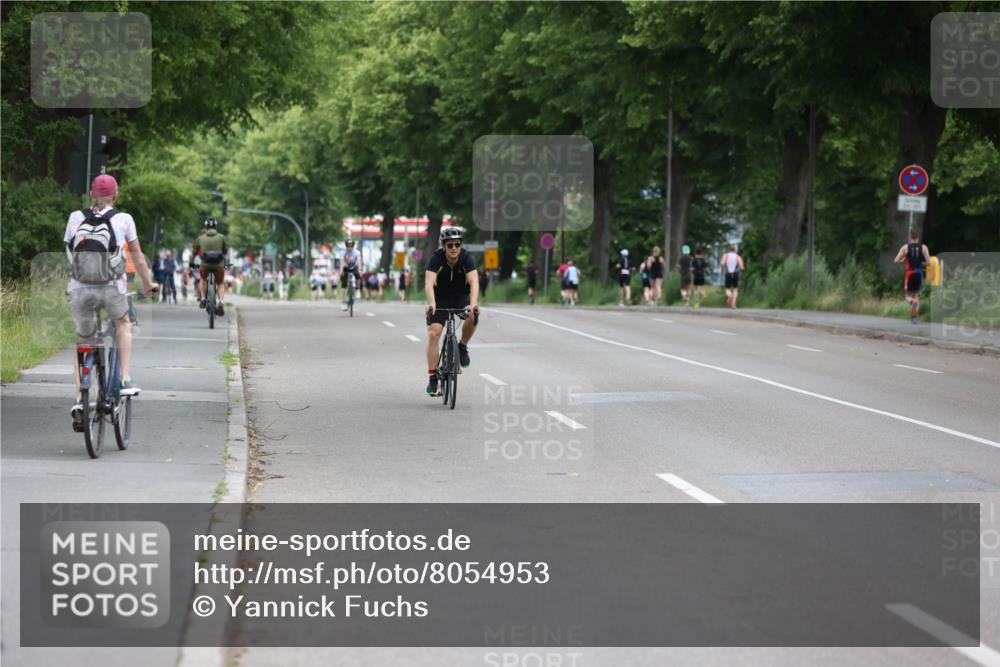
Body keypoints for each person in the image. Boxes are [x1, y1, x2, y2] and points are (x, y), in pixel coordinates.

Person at [66, 175, 158, 430]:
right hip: (111, 288)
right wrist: (148, 285)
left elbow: (69, 253)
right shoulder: (124, 219)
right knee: (123, 323)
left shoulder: (75, 217)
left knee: (84, 339)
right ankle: (125, 379)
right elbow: (137, 258)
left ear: (91, 194)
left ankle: (79, 397)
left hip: (79, 287)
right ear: (115, 195)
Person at [424, 226, 480, 396]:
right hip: (440, 298)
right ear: (444, 246)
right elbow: (428, 282)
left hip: (460, 297)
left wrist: (472, 304)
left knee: (474, 313)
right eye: (450, 245)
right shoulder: (436, 259)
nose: (454, 248)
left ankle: (462, 346)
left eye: (457, 244)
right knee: (434, 334)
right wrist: (432, 303)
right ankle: (433, 378)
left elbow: (474, 282)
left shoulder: (467, 258)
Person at [894, 228, 931, 324]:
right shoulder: (924, 248)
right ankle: (914, 318)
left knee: (908, 295)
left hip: (910, 273)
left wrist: (903, 260)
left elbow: (896, 260)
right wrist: (922, 264)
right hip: (919, 273)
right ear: (918, 237)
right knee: (916, 296)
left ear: (910, 237)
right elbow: (928, 263)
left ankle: (911, 302)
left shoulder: (905, 248)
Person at [193, 218, 228, 315]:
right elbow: (225, 251)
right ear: (215, 226)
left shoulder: (201, 238)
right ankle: (221, 301)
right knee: (220, 283)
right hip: (218, 266)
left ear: (206, 227)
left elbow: (195, 252)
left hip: (205, 265)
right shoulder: (221, 237)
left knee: (203, 279)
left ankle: (203, 299)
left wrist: (192, 262)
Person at [720, 245, 745, 309]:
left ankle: (730, 296)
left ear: (729, 249)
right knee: (735, 289)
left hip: (728, 273)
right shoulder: (738, 257)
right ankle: (733, 304)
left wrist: (722, 270)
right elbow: (742, 267)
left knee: (727, 289)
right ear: (735, 250)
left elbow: (722, 264)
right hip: (735, 274)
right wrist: (740, 270)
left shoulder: (726, 255)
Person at [341, 239, 362, 310]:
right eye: (348, 246)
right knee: (344, 284)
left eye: (351, 246)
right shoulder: (343, 252)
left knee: (358, 274)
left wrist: (360, 270)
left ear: (353, 246)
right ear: (346, 246)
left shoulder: (357, 252)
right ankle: (343, 302)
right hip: (346, 267)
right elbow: (342, 262)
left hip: (354, 266)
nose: (349, 247)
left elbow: (359, 262)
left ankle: (357, 290)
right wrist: (341, 271)